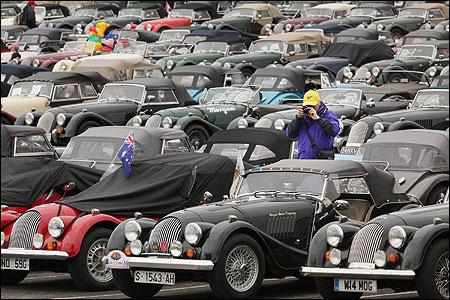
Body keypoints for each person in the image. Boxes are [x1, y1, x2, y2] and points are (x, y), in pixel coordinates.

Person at [286, 90, 340, 159]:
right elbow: (290, 134)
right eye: (307, 105)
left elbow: (335, 130)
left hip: (321, 160)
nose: (310, 108)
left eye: (312, 105)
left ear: (319, 103)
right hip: (304, 159)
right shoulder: (302, 117)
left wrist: (318, 119)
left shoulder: (327, 115)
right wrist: (298, 119)